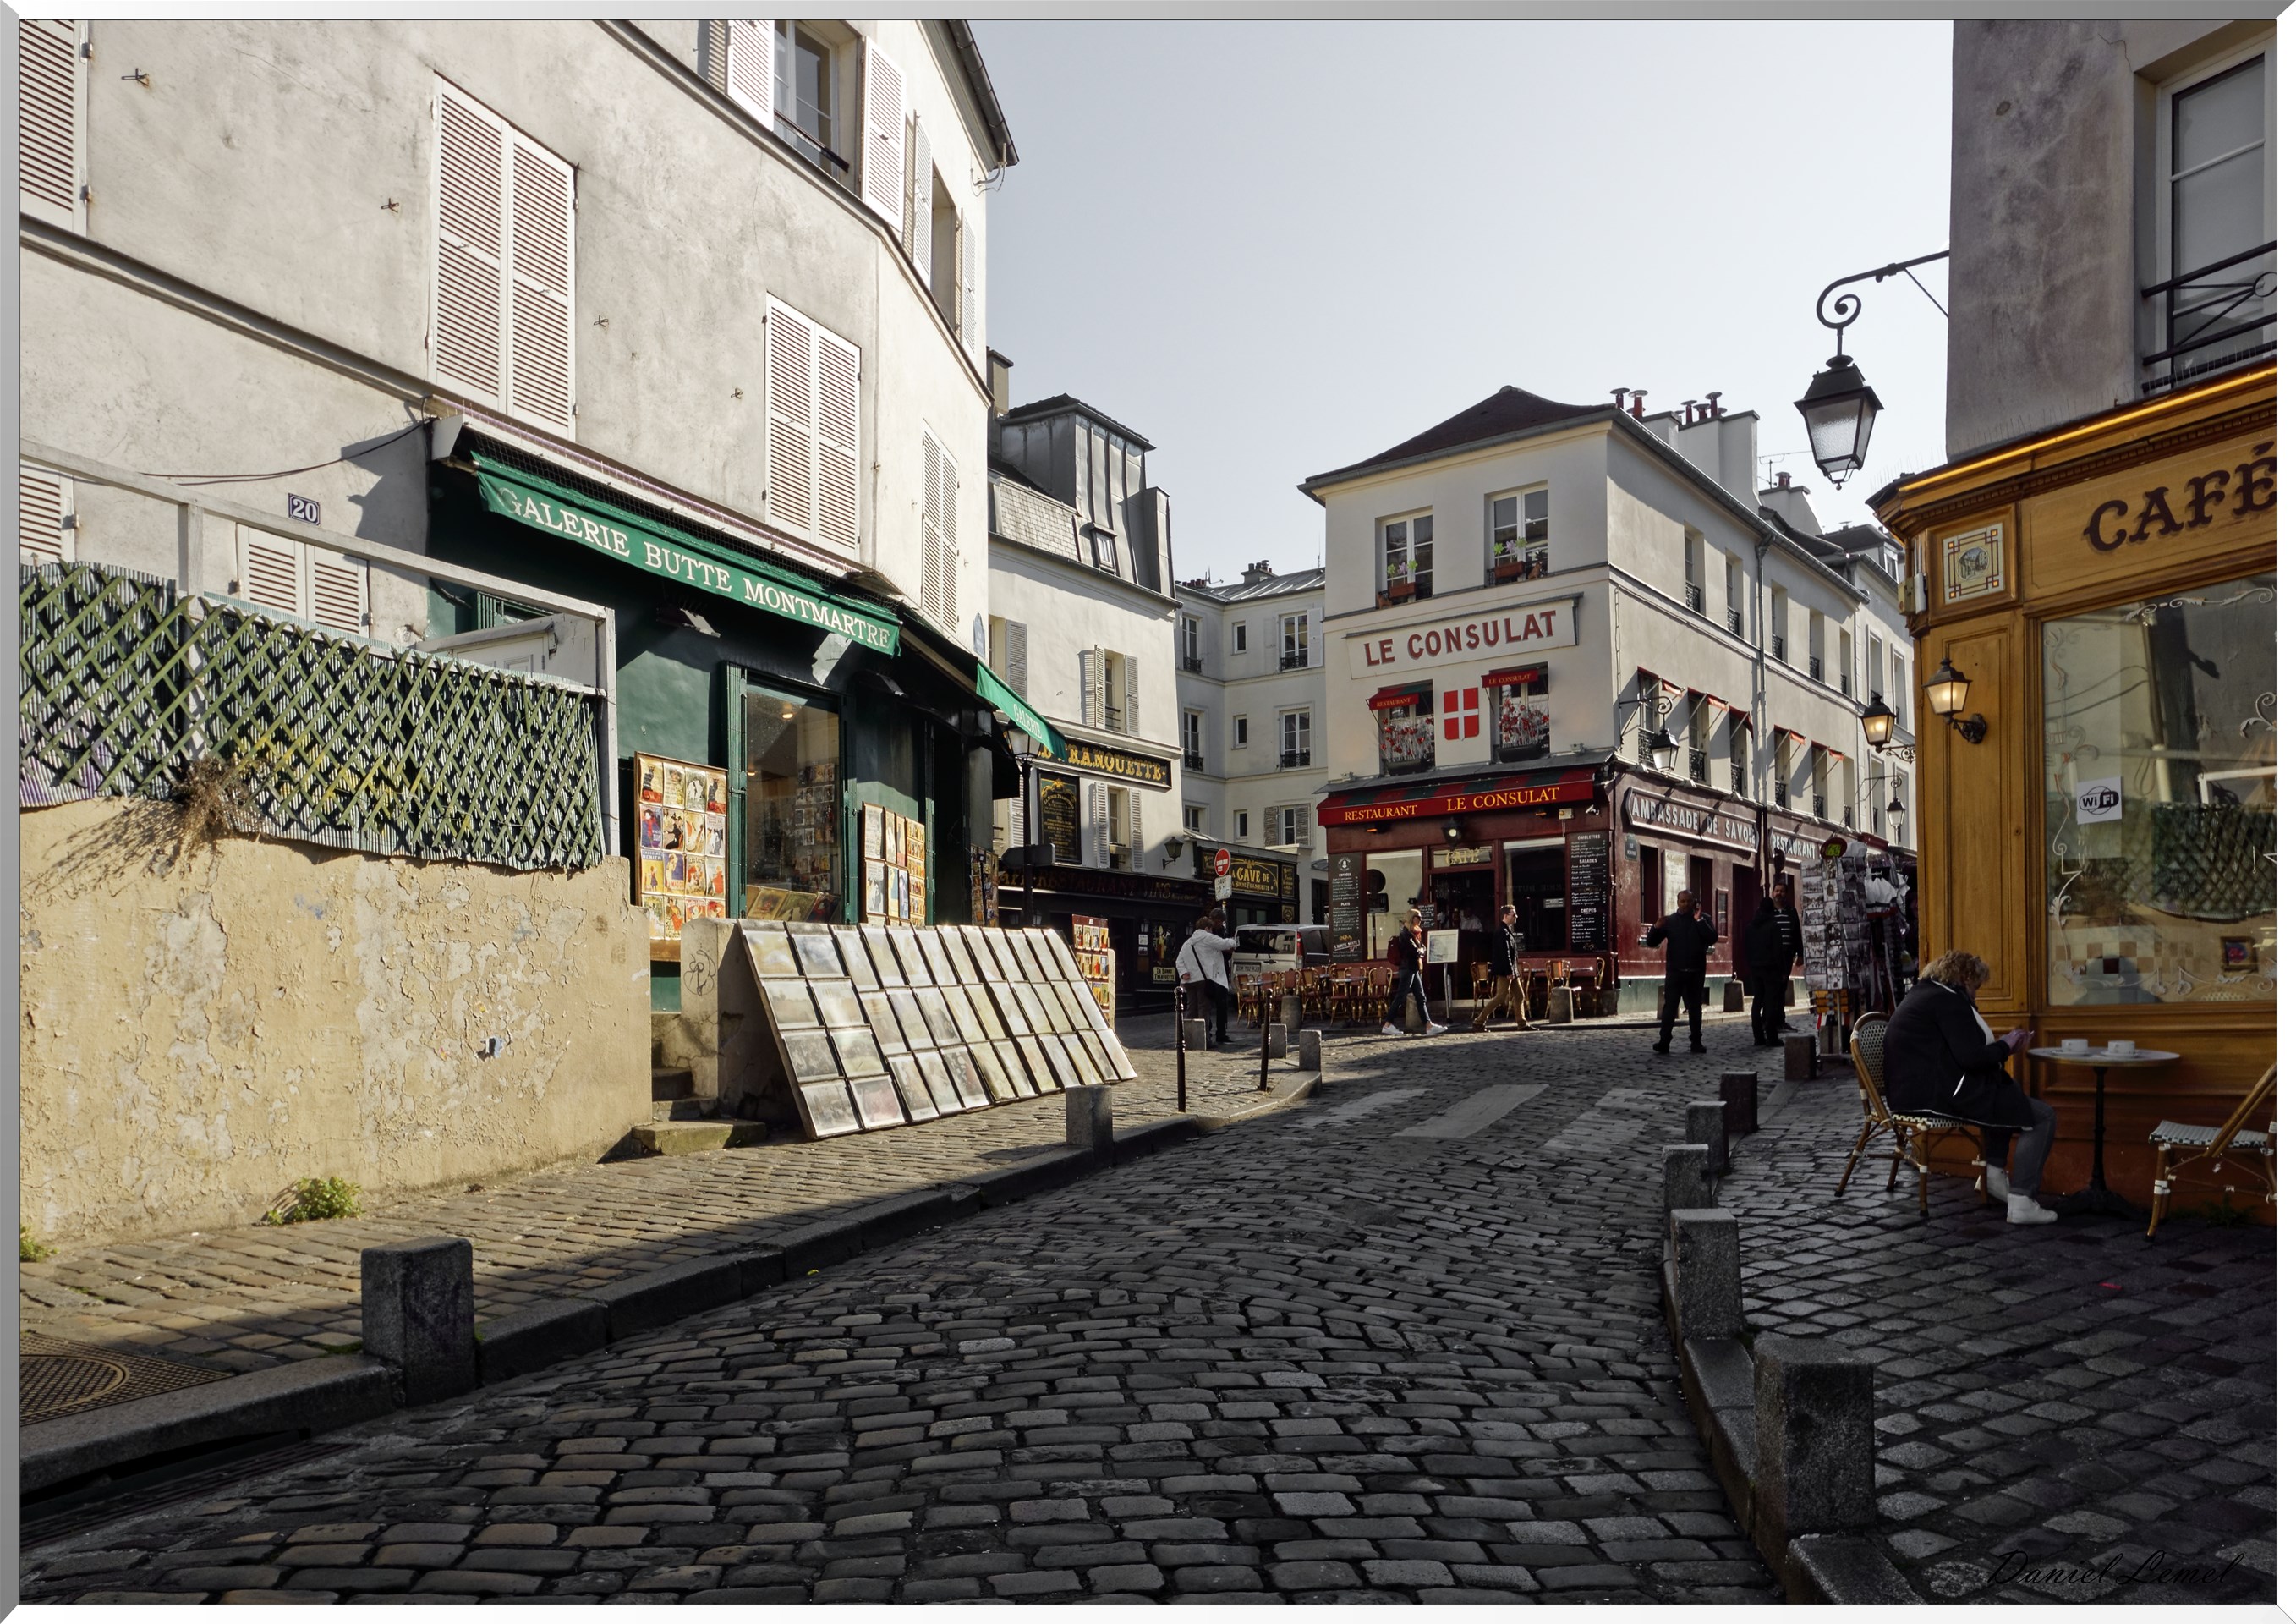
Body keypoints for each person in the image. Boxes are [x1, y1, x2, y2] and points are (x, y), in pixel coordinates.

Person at [1883, 950, 2058, 1225]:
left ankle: (1992, 1177)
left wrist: (2000, 1049)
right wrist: (2007, 1045)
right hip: (1935, 1095)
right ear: (1964, 978)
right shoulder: (1946, 1002)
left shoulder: (1925, 994)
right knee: (2041, 1117)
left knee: (2003, 1091)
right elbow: (1971, 1058)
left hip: (1915, 1091)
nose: (1977, 995)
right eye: (1976, 987)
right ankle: (2022, 1200)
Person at [1644, 890, 1717, 1054]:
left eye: (1688, 901)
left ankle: (1696, 1042)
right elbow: (1651, 942)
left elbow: (1712, 938)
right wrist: (1656, 927)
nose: (1685, 904)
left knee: (1695, 1008)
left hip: (1696, 971)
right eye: (1682, 901)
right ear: (1677, 902)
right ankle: (1664, 1041)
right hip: (1675, 971)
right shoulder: (1670, 921)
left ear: (1694, 902)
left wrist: (1699, 921)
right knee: (1670, 1007)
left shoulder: (1703, 919)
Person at [1383, 908, 1447, 1036]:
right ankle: (1387, 1024)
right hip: (1408, 969)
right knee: (1401, 997)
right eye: (1418, 917)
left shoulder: (1412, 934)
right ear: (1412, 918)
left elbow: (1421, 948)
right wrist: (1421, 951)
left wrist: (1421, 950)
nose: (1421, 920)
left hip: (1413, 969)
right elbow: (1416, 951)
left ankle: (1429, 1026)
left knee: (1421, 997)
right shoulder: (1405, 935)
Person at [1177, 914, 1239, 1045]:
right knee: (1203, 1009)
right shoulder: (1206, 937)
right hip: (1203, 980)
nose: (1211, 931)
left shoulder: (1188, 943)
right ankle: (1204, 1039)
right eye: (1210, 929)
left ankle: (1188, 1038)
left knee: (1191, 1009)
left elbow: (1179, 960)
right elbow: (1224, 943)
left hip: (1189, 981)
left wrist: (1184, 973)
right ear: (1207, 928)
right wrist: (1234, 941)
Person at [1471, 903, 1530, 1032]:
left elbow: (1510, 954)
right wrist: (1509, 971)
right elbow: (1505, 954)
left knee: (1519, 996)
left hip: (1511, 971)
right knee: (1500, 998)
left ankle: (1522, 1024)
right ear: (1506, 916)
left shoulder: (1506, 930)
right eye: (1514, 915)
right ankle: (1479, 1021)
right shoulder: (1501, 932)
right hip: (1505, 972)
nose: (1516, 917)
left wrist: (1513, 971)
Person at [1744, 891, 1789, 1047]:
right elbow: (1778, 951)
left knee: (1757, 1002)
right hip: (1771, 969)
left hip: (1755, 968)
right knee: (1771, 1003)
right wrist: (1782, 971)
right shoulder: (1773, 927)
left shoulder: (1750, 927)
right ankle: (1771, 1036)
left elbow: (1747, 949)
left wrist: (1751, 964)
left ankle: (1758, 1036)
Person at [1767, 880, 1806, 1037]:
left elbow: (1797, 933)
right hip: (1770, 957)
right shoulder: (1768, 912)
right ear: (1772, 892)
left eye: (1782, 891)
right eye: (1776, 890)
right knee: (1771, 990)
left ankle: (1780, 1020)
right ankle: (1770, 1021)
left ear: (1786, 894)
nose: (1779, 894)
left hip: (1786, 955)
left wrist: (1800, 954)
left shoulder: (1791, 912)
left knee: (1782, 988)